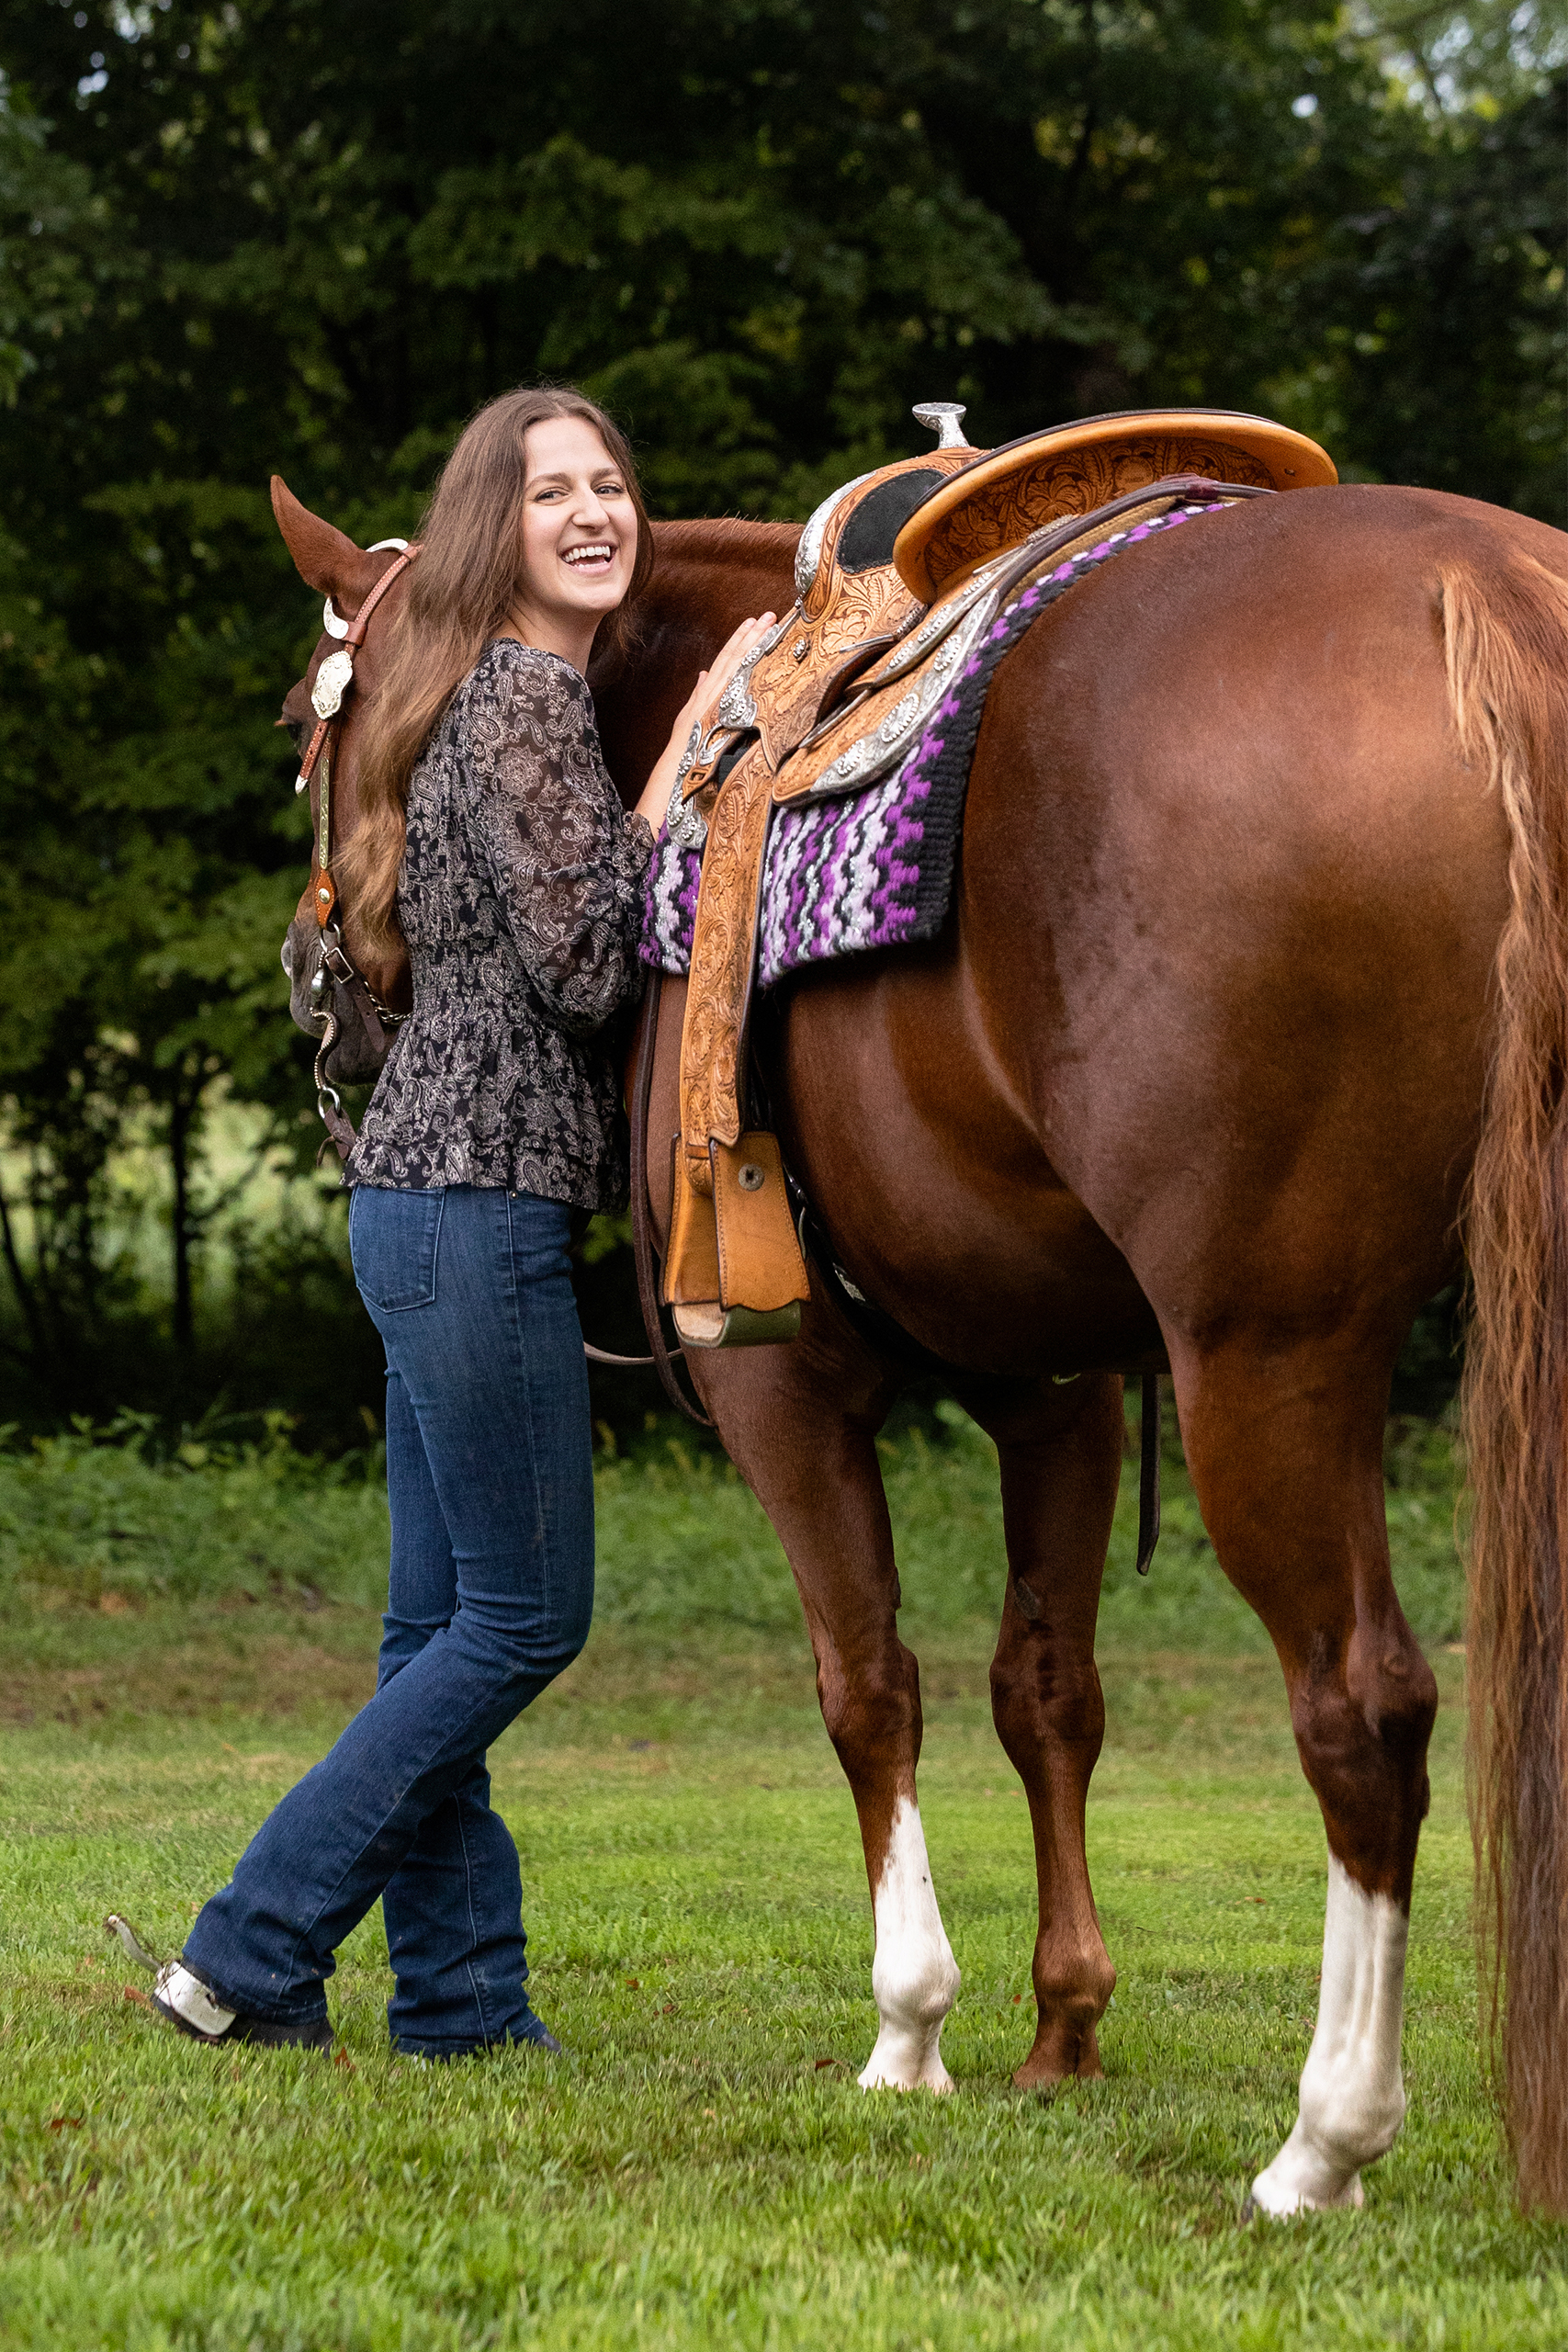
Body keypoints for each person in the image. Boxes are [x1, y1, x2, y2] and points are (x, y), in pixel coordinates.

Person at [140, 387, 773, 2058]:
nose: (593, 511)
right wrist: (697, 752)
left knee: (437, 1628)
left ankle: (464, 2004)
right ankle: (251, 1944)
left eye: (611, 484)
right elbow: (585, 965)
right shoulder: (524, 708)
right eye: (551, 489)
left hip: (429, 1201)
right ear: (494, 524)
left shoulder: (498, 701)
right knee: (522, 1618)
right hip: (472, 1202)